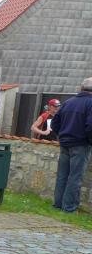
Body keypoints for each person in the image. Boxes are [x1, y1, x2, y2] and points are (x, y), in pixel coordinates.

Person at [51, 77, 92, 213]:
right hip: (81, 144)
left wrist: (61, 135)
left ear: (81, 88)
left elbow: (54, 123)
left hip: (65, 143)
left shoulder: (68, 102)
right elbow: (90, 126)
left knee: (62, 175)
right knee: (75, 177)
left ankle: (58, 204)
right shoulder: (90, 103)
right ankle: (69, 207)